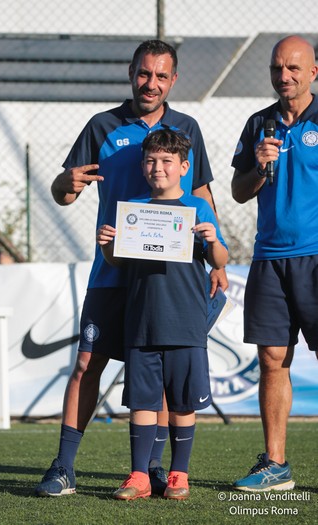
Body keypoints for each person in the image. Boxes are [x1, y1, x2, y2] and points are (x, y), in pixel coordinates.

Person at [35, 39, 228, 498]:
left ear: (173, 80)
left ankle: (152, 469)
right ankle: (63, 467)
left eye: (162, 76)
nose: (152, 83)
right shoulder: (103, 126)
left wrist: (215, 255)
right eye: (145, 74)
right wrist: (64, 183)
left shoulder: (187, 127)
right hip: (114, 267)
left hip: (167, 277)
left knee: (159, 370)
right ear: (131, 73)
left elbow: (201, 193)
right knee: (87, 362)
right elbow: (66, 192)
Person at [97, 129, 228, 500]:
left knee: (183, 403)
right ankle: (139, 476)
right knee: (142, 401)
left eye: (167, 161)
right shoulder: (133, 209)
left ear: (184, 167)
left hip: (186, 322)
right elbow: (118, 261)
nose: (159, 167)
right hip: (142, 322)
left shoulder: (198, 208)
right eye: (152, 160)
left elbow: (221, 260)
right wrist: (107, 246)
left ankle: (178, 475)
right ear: (143, 165)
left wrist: (212, 240)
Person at [231, 34, 318, 492]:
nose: (283, 76)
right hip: (269, 258)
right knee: (272, 360)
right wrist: (257, 168)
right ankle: (276, 464)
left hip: (315, 256)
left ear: (312, 73)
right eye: (275, 69)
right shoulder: (258, 123)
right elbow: (238, 192)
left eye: (292, 69)